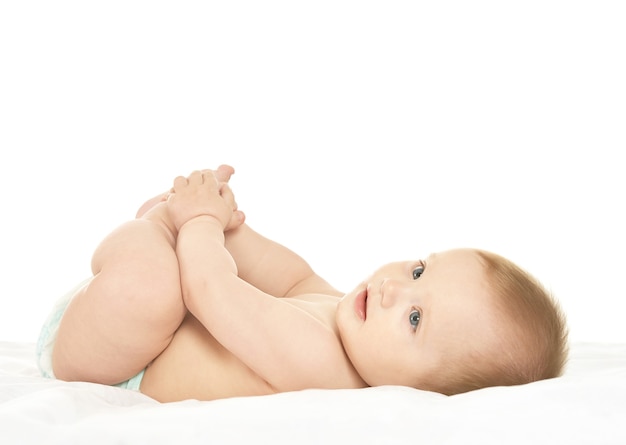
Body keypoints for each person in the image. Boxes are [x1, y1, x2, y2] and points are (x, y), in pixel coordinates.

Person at [37, 165, 569, 402]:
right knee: (168, 279)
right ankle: (160, 224)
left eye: (414, 319)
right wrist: (223, 216)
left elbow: (211, 291)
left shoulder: (321, 366)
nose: (392, 290)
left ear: (422, 394)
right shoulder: (341, 312)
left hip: (116, 368)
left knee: (154, 291)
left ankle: (157, 228)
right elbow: (280, 271)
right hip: (113, 330)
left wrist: (196, 224)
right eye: (419, 272)